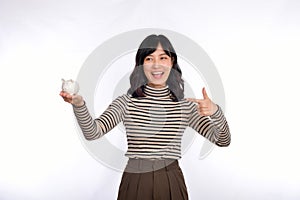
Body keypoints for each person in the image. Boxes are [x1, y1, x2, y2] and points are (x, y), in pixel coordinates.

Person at [60, 34, 231, 200]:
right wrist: (79, 105)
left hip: (170, 180)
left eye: (163, 58)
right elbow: (93, 133)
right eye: (149, 58)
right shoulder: (126, 102)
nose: (156, 65)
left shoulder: (184, 106)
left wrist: (216, 112)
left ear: (172, 63)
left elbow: (223, 140)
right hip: (136, 180)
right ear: (141, 64)